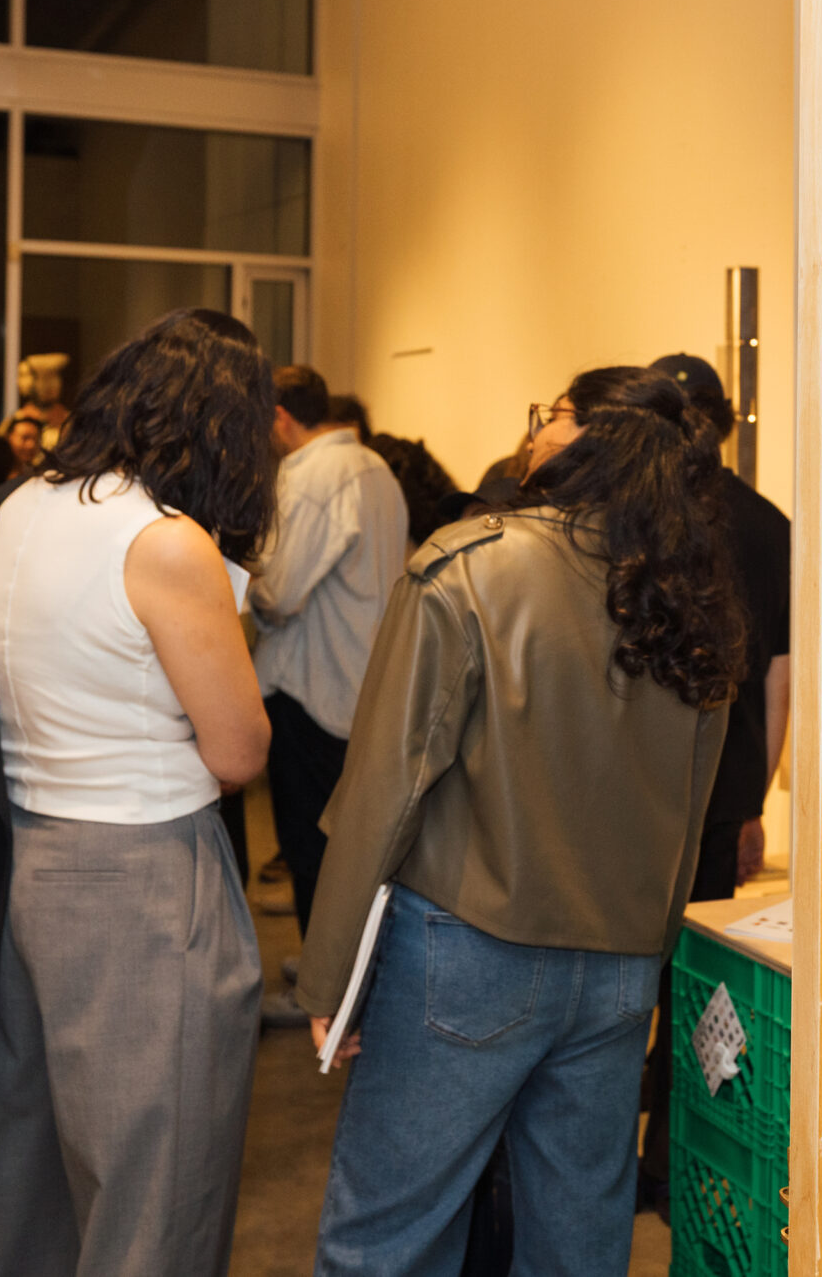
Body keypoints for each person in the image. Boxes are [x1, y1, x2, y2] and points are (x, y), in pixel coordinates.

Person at [298, 366, 745, 1277]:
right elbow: (691, 804)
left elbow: (386, 788)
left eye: (552, 417)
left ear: (591, 439)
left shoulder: (470, 568)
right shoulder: (693, 596)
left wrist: (330, 979)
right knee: (579, 1238)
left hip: (468, 951)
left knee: (389, 1232)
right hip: (619, 967)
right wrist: (645, 953)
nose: (537, 434)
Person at [0, 308, 274, 1276]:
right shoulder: (165, 540)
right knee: (159, 1188)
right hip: (144, 875)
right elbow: (237, 750)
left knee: (36, 1169)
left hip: (37, 853)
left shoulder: (26, 504)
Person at [635, 353, 794, 1213]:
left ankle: (606, 1158)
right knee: (694, 981)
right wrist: (753, 802)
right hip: (722, 790)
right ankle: (675, 1158)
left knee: (620, 981)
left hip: (632, 797)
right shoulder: (771, 527)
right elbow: (779, 681)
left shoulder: (639, 520)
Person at [247, 367, 408, 1019]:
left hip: (311, 687)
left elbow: (280, 594)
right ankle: (337, 970)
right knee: (355, 850)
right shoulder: (374, 467)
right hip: (364, 683)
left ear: (282, 417)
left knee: (312, 848)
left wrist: (243, 579)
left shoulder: (311, 477)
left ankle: (321, 993)